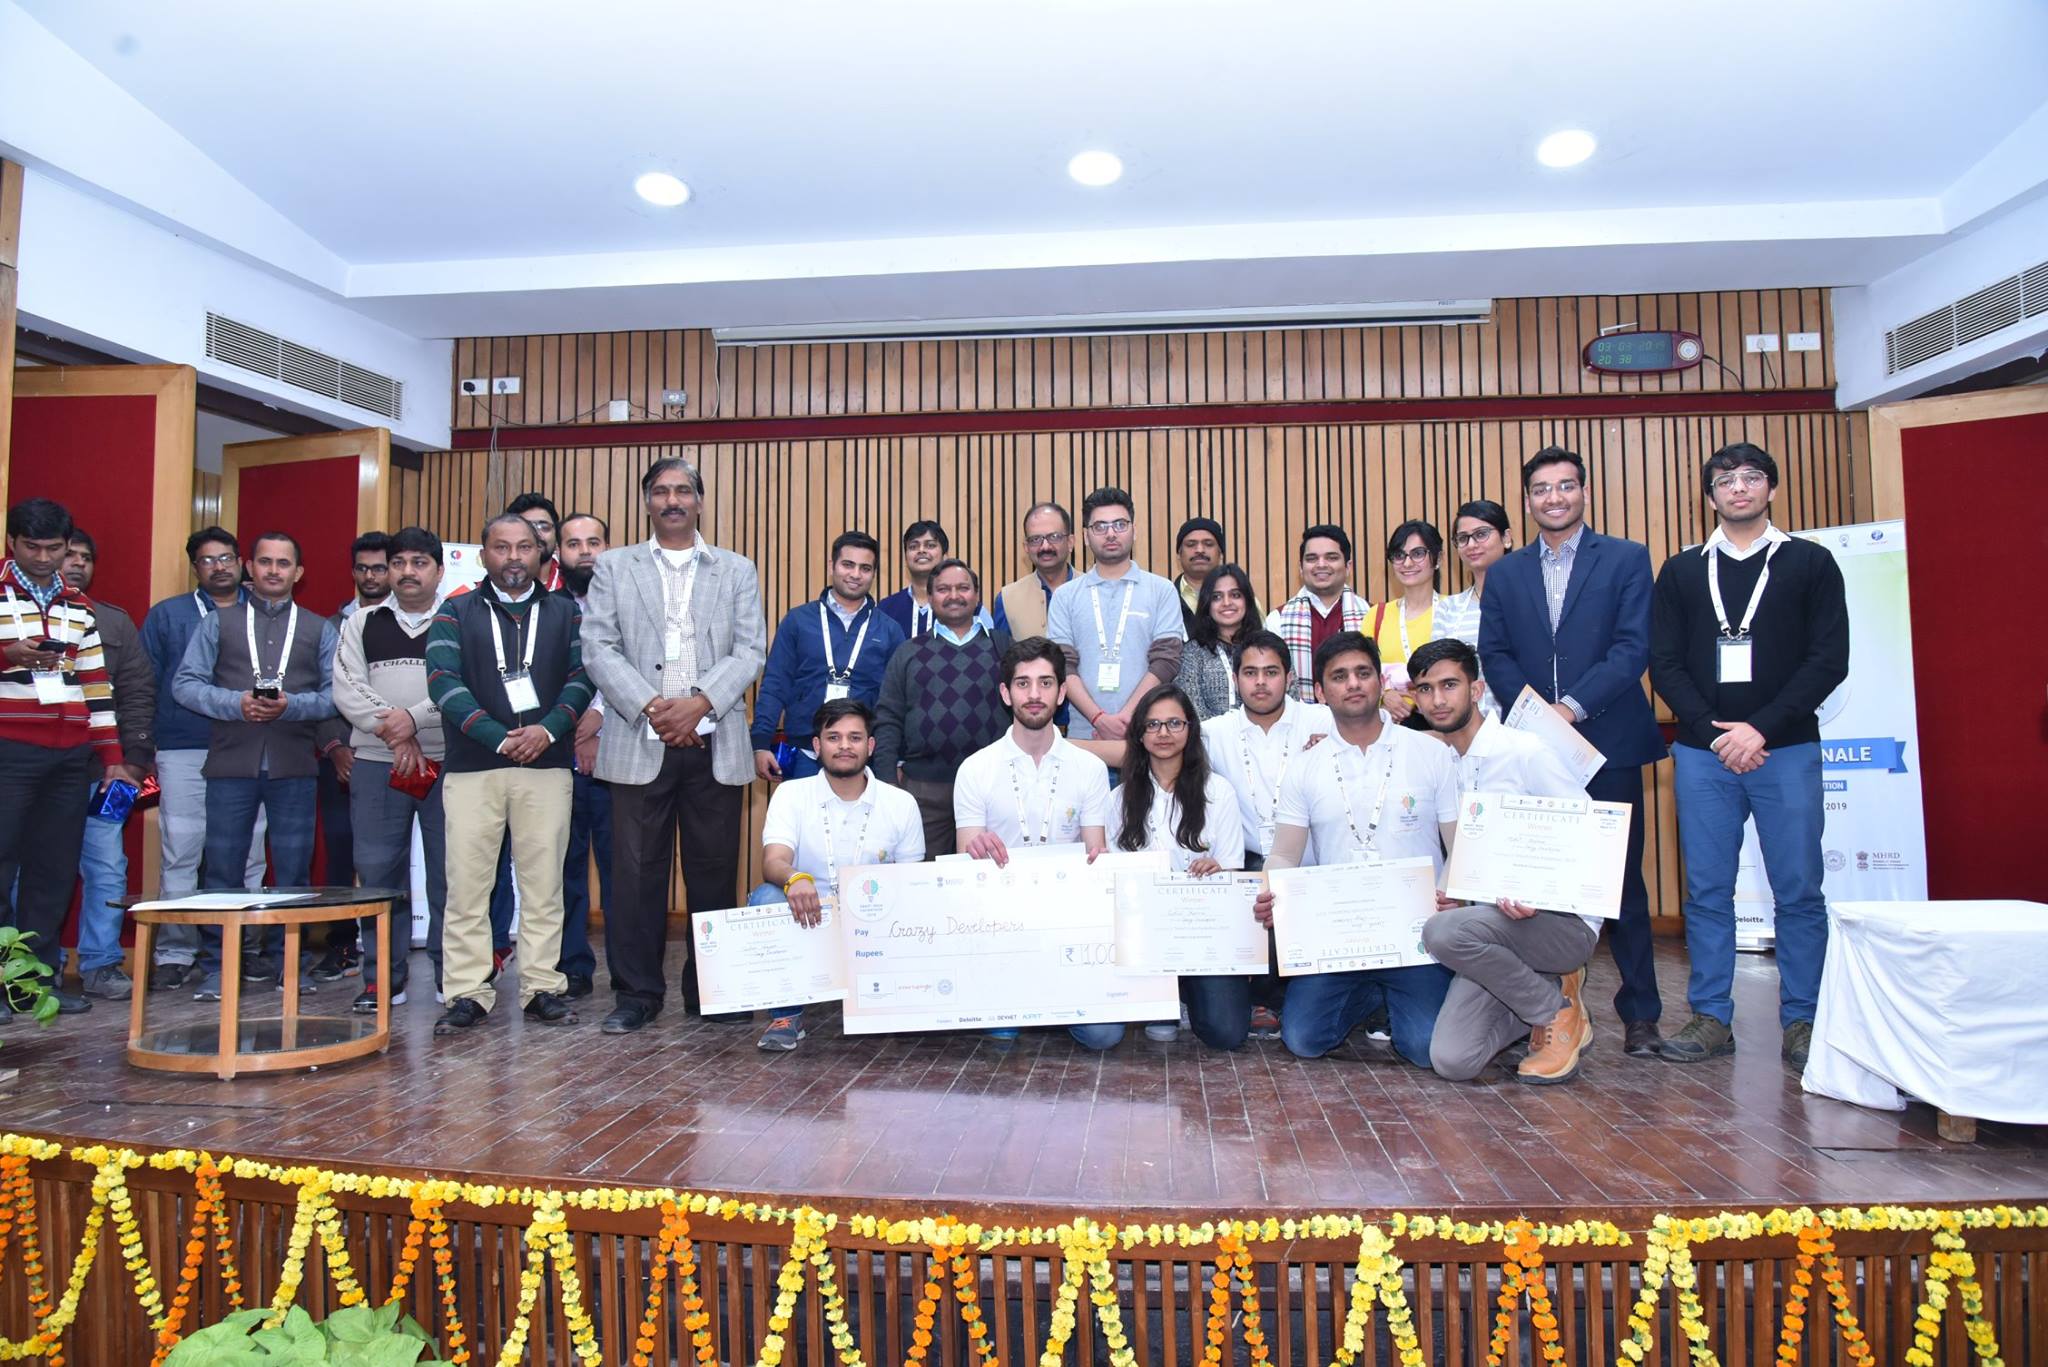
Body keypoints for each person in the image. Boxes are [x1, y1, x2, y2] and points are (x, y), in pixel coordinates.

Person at [1649, 442, 1849, 1070]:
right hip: (1704, 753)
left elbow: (1828, 660)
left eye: (1752, 477)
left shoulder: (1810, 564)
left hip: (1785, 749)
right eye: (1725, 480)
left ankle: (1805, 1020)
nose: (1739, 488)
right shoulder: (1682, 570)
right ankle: (1711, 1017)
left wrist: (1757, 730)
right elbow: (1666, 664)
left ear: (1771, 488)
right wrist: (1715, 734)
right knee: (1707, 892)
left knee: (1798, 891)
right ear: (1709, 496)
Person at [1478, 446, 1667, 1058]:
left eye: (1564, 487)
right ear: (1527, 500)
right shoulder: (1506, 572)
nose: (1553, 498)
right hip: (1532, 751)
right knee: (1536, 882)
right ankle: (1549, 1009)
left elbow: (1632, 648)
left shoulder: (1627, 559)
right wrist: (1536, 719)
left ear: (1583, 492)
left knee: (1619, 883)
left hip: (1605, 743)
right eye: (1540, 489)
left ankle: (1640, 1014)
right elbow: (1496, 653)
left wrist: (1572, 709)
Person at [581, 457, 766, 1034]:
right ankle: (636, 994)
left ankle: (711, 991)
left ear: (701, 501)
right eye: (660, 491)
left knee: (714, 873)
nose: (673, 500)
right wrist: (654, 708)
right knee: (635, 876)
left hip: (714, 739)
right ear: (647, 502)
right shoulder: (614, 566)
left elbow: (750, 650)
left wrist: (698, 704)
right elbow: (599, 649)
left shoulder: (736, 569)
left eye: (683, 490)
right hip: (640, 736)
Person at [1249, 632, 1458, 1066]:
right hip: (1337, 937)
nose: (1354, 684)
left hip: (1416, 935)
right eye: (1340, 677)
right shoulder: (1305, 767)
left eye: (1363, 673)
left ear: (1380, 682)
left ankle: (1395, 995)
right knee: (1303, 1039)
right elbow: (1285, 853)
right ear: (1321, 691)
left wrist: (1452, 891)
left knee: (1423, 1049)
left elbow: (1459, 845)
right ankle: (1371, 995)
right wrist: (1271, 890)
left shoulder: (1430, 753)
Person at [425, 514, 591, 1037]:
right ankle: (468, 992)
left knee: (544, 886)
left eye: (525, 547)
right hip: (475, 768)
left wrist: (546, 732)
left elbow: (583, 678)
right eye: (502, 547)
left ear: (542, 555)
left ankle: (542, 986)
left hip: (546, 766)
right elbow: (443, 684)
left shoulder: (567, 613)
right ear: (483, 556)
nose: (514, 557)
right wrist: (498, 735)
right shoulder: (455, 612)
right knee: (468, 888)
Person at [1408, 637, 1599, 1085]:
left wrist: (1541, 893)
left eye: (1449, 684)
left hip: (1559, 924)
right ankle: (1546, 992)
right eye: (1425, 688)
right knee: (1453, 1060)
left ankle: (1557, 1012)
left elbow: (1589, 834)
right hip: (1491, 932)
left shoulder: (1524, 752)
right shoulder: (1437, 763)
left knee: (1440, 933)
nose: (1438, 699)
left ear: (1475, 690)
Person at [172, 531, 339, 1001]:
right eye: (264, 562)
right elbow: (184, 685)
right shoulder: (218, 625)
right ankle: (218, 968)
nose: (272, 571)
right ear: (250, 567)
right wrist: (234, 704)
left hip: (293, 767)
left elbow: (334, 696)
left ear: (298, 573)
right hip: (230, 764)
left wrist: (291, 707)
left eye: (283, 564)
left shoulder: (318, 628)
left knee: (293, 872)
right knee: (221, 871)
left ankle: (291, 966)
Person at [0, 499, 132, 1015]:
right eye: (31, 546)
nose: (43, 557)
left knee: (52, 873)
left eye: (54, 548)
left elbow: (97, 687)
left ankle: (32, 985)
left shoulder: (80, 606)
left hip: (69, 759)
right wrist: (6, 656)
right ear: (11, 542)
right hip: (7, 753)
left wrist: (113, 756)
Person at [953, 637, 1114, 1048]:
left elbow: (1096, 854)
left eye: (1045, 683)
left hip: (1067, 923)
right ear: (1006, 694)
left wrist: (1100, 862)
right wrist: (976, 851)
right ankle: (1026, 1001)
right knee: (1002, 1033)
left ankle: (1051, 1001)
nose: (1035, 694)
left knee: (1103, 1036)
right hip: (997, 924)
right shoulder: (975, 769)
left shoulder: (1090, 769)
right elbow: (965, 864)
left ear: (1062, 693)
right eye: (1023, 684)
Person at [751, 698, 925, 1051]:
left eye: (855, 737)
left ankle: (892, 998)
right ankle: (786, 1015)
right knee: (766, 898)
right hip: (811, 916)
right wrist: (794, 879)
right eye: (833, 737)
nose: (844, 746)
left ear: (870, 746)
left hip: (873, 924)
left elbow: (911, 884)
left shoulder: (900, 803)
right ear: (817, 746)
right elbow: (774, 861)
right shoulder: (790, 794)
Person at [138, 528, 268, 989]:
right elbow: (145, 683)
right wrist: (143, 747)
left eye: (227, 557)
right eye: (208, 560)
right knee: (182, 851)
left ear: (242, 563)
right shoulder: (168, 616)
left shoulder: (266, 614)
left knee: (249, 851)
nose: (220, 566)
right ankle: (176, 951)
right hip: (184, 745)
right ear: (195, 567)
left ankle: (246, 946)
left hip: (251, 747)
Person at [332, 526, 448, 1016]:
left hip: (450, 763)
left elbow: (467, 685)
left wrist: (413, 720)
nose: (406, 572)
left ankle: (455, 977)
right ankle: (382, 979)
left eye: (419, 562)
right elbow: (346, 688)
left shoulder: (461, 619)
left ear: (439, 571)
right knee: (379, 874)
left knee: (454, 876)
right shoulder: (361, 621)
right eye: (398, 563)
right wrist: (396, 731)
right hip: (379, 763)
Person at [1200, 627, 1333, 1038]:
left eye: (1271, 672)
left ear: (1290, 678)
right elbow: (1146, 746)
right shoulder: (1214, 730)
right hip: (1246, 861)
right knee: (1253, 888)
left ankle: (1283, 998)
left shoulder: (1323, 720)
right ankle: (1259, 996)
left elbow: (1385, 736)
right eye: (1250, 673)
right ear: (1236, 680)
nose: (1261, 682)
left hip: (1310, 859)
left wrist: (1334, 746)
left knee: (1289, 887)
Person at [1111, 684, 1245, 1046]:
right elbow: (1113, 881)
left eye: (1174, 723)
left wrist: (1217, 870)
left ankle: (1187, 995)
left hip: (1203, 934)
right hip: (1145, 936)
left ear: (1190, 729)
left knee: (1226, 1034)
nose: (1164, 734)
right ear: (1139, 734)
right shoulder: (1119, 800)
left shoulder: (1219, 792)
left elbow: (1234, 873)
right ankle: (1164, 999)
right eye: (1153, 725)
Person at [57, 529, 154, 1002]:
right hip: (40, 769)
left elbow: (138, 693)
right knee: (33, 869)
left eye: (85, 557)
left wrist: (134, 760)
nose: (77, 563)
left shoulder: (114, 623)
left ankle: (100, 963)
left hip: (105, 772)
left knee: (108, 867)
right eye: (68, 554)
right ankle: (35, 967)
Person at [871, 557, 1011, 856]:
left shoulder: (1005, 647)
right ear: (931, 597)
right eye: (944, 589)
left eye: (963, 588)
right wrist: (886, 783)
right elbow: (888, 719)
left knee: (991, 875)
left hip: (993, 786)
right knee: (922, 879)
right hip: (924, 788)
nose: (954, 595)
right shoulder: (908, 652)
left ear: (977, 596)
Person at [752, 531, 905, 783]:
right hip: (804, 753)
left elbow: (898, 700)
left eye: (865, 568)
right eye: (848, 564)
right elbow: (775, 682)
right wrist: (761, 741)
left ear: (873, 574)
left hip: (867, 757)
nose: (856, 574)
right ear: (831, 566)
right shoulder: (798, 620)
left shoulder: (889, 629)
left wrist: (898, 757)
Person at [311, 531, 394, 985]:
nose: (371, 576)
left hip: (402, 752)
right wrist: (336, 747)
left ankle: (391, 956)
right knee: (343, 852)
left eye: (380, 567)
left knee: (393, 859)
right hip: (343, 758)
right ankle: (342, 944)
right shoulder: (331, 626)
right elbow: (322, 695)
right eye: (363, 568)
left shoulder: (414, 621)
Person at [1047, 487, 1185, 742]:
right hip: (1086, 735)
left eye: (1120, 524)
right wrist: (1099, 719)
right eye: (1100, 526)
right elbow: (1062, 664)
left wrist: (1128, 717)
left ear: (1134, 531)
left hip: (1149, 733)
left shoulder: (1161, 590)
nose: (1111, 533)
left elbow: (1166, 661)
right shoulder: (1065, 596)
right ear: (1086, 537)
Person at [555, 512, 613, 998]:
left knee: (625, 870)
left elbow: (646, 669)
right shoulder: (546, 608)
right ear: (558, 554)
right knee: (565, 867)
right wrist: (573, 726)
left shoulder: (629, 603)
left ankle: (629, 969)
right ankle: (573, 965)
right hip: (556, 755)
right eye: (574, 544)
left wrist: (599, 720)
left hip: (621, 754)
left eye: (593, 541)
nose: (585, 551)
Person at [1267, 525, 1370, 701]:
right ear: (1301, 567)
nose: (1321, 565)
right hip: (1299, 724)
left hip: (1359, 721)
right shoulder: (1277, 620)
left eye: (1331, 557)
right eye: (1312, 558)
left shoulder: (1372, 616)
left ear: (1348, 567)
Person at [1431, 500, 1513, 717]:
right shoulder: (1449, 607)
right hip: (1466, 730)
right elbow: (1438, 673)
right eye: (1463, 538)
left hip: (1520, 728)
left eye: (1481, 534)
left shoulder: (1529, 601)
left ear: (1506, 538)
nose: (1472, 544)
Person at [1371, 520, 1443, 725]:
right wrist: (1385, 694)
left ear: (1437, 558)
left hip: (1443, 728)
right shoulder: (1376, 615)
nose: (1408, 563)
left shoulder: (1453, 609)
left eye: (1418, 553)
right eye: (1399, 555)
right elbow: (1364, 672)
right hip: (1390, 728)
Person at [1176, 564, 1262, 720]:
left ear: (1247, 601)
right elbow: (1192, 709)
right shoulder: (1193, 652)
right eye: (1217, 597)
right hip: (1211, 741)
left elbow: (1289, 698)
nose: (1227, 603)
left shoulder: (1268, 647)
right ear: (1207, 603)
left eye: (1235, 595)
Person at [991, 502, 1075, 641]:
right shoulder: (1007, 599)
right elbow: (1003, 658)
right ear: (1026, 547)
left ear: (1070, 542)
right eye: (1035, 539)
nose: (1045, 546)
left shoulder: (1093, 590)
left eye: (1054, 537)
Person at [877, 520, 972, 640]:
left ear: (945, 556)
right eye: (913, 546)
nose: (921, 550)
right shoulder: (885, 609)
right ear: (906, 558)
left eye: (930, 545)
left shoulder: (970, 608)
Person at [1171, 517, 1226, 632]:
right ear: (1179, 555)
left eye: (1208, 544)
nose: (1200, 550)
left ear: (1220, 554)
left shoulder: (1241, 600)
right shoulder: (1163, 598)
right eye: (1191, 544)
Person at [505, 491, 566, 592]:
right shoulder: (490, 589)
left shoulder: (572, 587)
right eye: (528, 527)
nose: (537, 534)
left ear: (556, 535)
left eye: (544, 527)